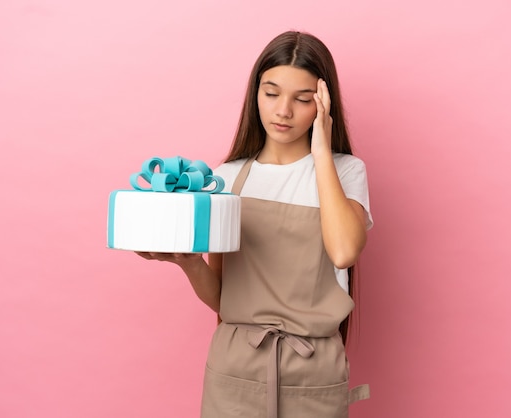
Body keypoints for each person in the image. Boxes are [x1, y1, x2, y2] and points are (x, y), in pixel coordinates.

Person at [136, 30, 374, 418]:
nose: (283, 111)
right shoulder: (225, 179)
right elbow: (222, 297)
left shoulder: (345, 172)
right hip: (235, 367)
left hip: (312, 369)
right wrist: (189, 262)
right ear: (255, 94)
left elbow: (345, 251)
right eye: (271, 93)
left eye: (302, 99)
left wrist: (320, 153)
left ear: (323, 105)